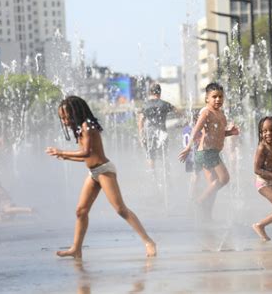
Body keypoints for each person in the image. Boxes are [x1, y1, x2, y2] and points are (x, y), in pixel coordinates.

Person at [46, 96, 156, 258]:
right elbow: (86, 157)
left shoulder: (88, 126)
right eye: (61, 118)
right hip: (94, 173)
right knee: (81, 211)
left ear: (75, 112)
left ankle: (148, 241)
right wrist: (66, 157)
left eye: (66, 117)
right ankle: (76, 248)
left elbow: (87, 152)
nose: (64, 121)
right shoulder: (79, 129)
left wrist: (62, 152)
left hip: (104, 171)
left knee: (120, 209)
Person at [179, 83, 239, 220]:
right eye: (214, 97)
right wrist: (188, 147)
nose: (218, 99)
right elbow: (195, 129)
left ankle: (206, 215)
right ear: (207, 98)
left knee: (213, 186)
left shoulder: (221, 114)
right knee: (224, 179)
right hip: (206, 152)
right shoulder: (206, 112)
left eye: (220, 97)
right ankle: (199, 202)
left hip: (213, 152)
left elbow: (219, 134)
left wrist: (230, 132)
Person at [137, 83, 176, 170]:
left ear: (150, 92)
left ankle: (153, 177)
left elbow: (140, 121)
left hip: (150, 134)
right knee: (164, 155)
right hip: (162, 133)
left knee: (151, 157)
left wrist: (141, 136)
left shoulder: (145, 105)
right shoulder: (164, 104)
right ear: (160, 92)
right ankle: (167, 177)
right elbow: (178, 111)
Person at [182, 110, 202, 200]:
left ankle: (193, 192)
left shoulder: (186, 128)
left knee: (194, 175)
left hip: (188, 156)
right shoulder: (196, 130)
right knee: (196, 175)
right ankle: (192, 195)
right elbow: (199, 140)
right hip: (194, 154)